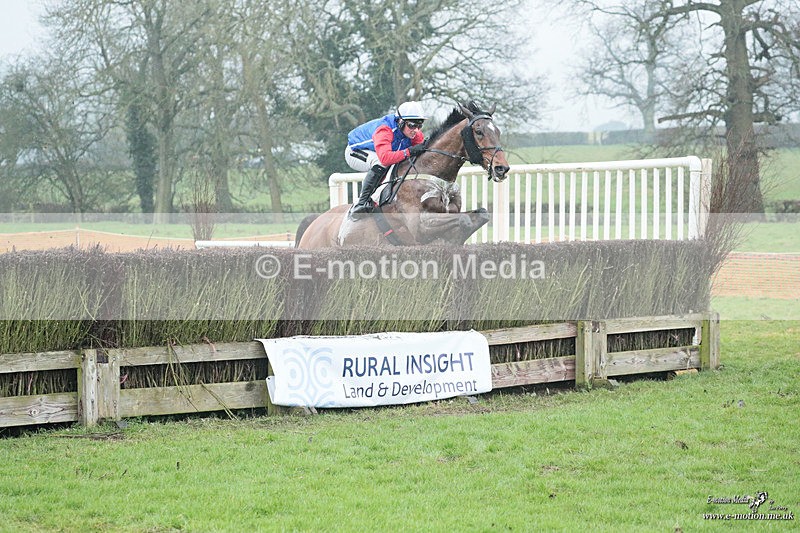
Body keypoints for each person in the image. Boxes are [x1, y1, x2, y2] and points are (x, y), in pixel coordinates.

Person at [344, 101, 428, 217]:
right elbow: (385, 159)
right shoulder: (385, 130)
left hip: (380, 151)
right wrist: (409, 151)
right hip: (355, 152)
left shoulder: (415, 134)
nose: (416, 130)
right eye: (412, 126)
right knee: (380, 162)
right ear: (400, 122)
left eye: (419, 126)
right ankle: (361, 203)